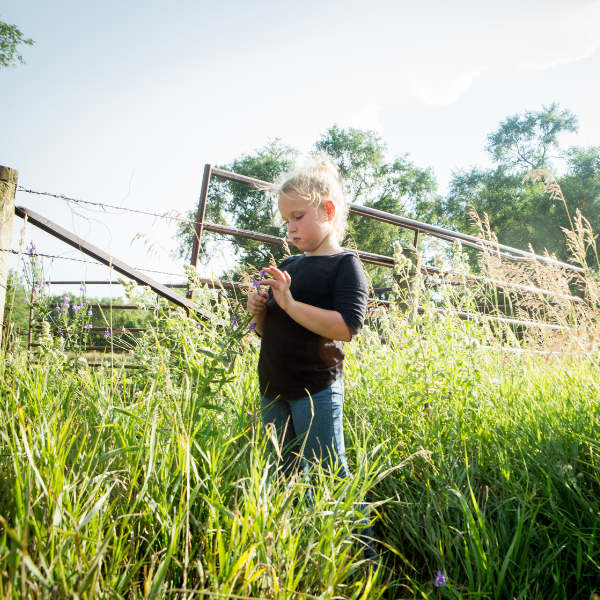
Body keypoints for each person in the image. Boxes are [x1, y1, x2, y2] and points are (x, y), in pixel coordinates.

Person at [245, 154, 376, 560]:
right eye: (286, 220)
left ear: (328, 210)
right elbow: (269, 332)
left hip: (315, 390)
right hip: (274, 389)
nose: (291, 228)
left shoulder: (345, 266)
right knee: (279, 475)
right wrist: (259, 312)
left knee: (329, 475)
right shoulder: (288, 265)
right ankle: (295, 555)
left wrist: (287, 303)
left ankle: (363, 564)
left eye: (298, 216)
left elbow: (345, 327)